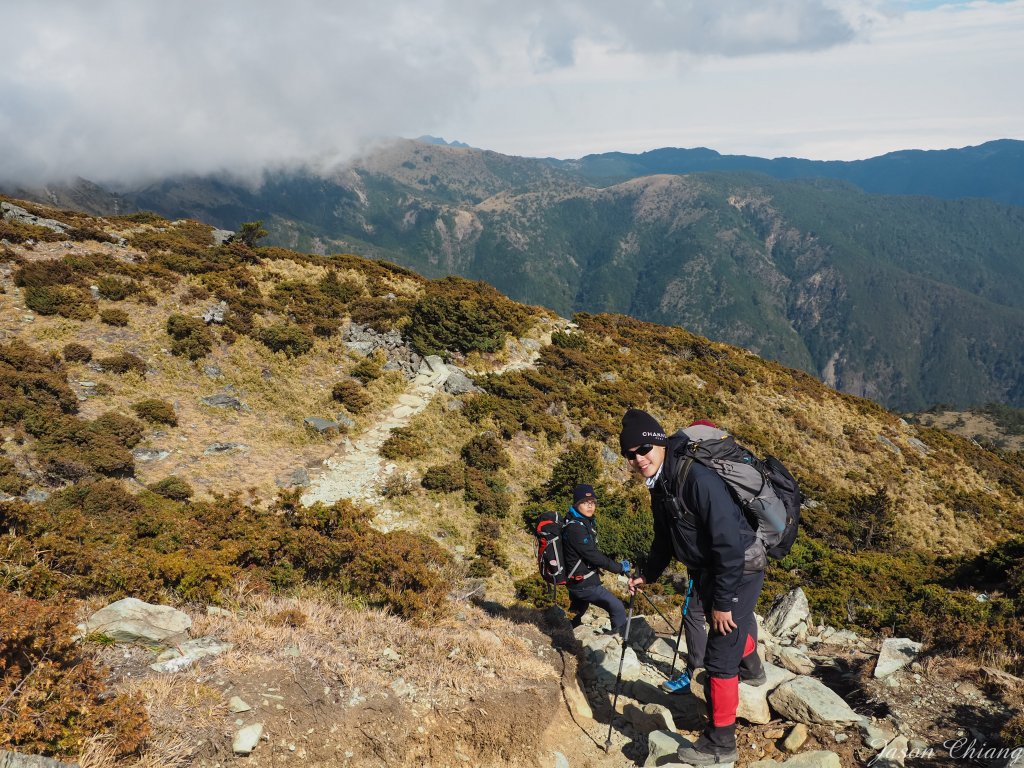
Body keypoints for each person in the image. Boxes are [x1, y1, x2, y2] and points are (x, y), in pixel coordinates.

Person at [620, 408, 766, 766]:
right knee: (727, 641)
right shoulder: (661, 484)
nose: (638, 459)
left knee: (718, 659)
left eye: (642, 449)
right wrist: (648, 573)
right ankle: (752, 667)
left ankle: (720, 744)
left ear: (658, 443)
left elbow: (729, 543)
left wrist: (724, 600)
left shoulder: (696, 479)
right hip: (708, 570)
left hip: (739, 567)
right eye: (630, 454)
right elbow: (664, 539)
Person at [561, 484, 632, 636]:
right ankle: (620, 641)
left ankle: (567, 634)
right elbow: (592, 555)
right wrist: (619, 568)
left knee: (577, 612)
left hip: (579, 579)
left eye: (592, 502)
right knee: (617, 607)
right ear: (576, 504)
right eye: (585, 502)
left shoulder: (583, 522)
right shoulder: (575, 528)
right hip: (583, 583)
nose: (590, 505)